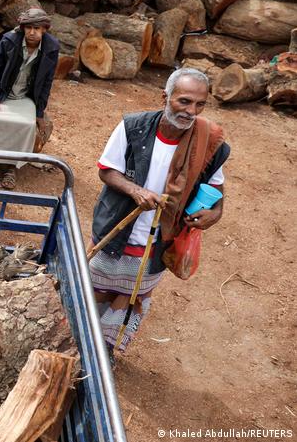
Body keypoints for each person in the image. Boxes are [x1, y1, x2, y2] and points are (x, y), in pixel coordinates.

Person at [90, 68, 230, 360]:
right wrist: (135, 191)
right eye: (184, 101)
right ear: (165, 97)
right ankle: (82, 337)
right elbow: (107, 170)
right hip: (117, 227)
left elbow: (217, 191)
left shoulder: (209, 143)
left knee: (133, 295)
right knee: (97, 288)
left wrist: (213, 215)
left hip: (159, 239)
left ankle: (105, 350)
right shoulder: (133, 126)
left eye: (200, 104)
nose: (191, 111)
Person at [0, 7, 59, 189]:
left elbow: (47, 82)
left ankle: (10, 168)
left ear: (45, 29)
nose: (32, 32)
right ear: (22, 28)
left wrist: (39, 112)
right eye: (28, 28)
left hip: (26, 96)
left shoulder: (52, 47)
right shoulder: (9, 40)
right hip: (2, 92)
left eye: (37, 28)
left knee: (27, 125)